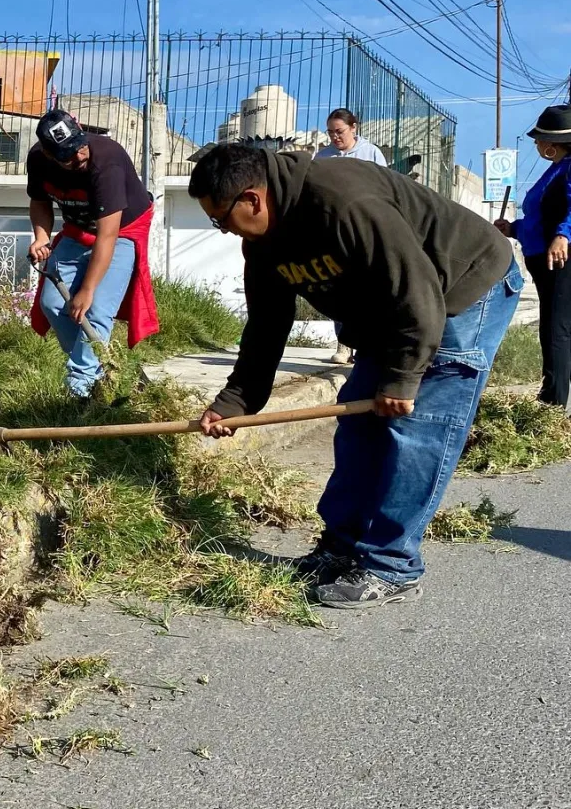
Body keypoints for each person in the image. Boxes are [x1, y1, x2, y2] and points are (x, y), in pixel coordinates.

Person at [189, 142, 521, 608]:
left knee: (415, 429)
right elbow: (266, 325)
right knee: (358, 424)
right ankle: (341, 548)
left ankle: (391, 565)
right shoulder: (263, 244)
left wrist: (403, 379)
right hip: (395, 311)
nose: (223, 230)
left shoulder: (343, 201)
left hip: (460, 288)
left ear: (252, 199)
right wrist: (236, 402)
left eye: (220, 219)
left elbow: (417, 291)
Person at [26, 109, 158, 400]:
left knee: (95, 310)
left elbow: (107, 235)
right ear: (49, 155)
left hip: (122, 231)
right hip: (77, 229)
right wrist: (42, 237)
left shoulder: (106, 160)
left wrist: (87, 289)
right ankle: (105, 364)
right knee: (52, 303)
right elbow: (39, 200)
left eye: (80, 145)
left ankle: (81, 390)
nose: (79, 156)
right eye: (68, 155)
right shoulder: (38, 159)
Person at [495, 104, 571, 411]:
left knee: (557, 326)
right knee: (553, 325)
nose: (537, 145)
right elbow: (539, 220)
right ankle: (553, 389)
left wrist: (564, 234)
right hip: (543, 258)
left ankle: (553, 400)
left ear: (553, 144)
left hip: (562, 257)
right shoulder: (554, 171)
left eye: (539, 140)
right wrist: (512, 227)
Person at [314, 108, 387, 365]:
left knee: (368, 291)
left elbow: (386, 188)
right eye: (331, 132)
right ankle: (344, 345)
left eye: (340, 131)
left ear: (354, 128)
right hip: (334, 233)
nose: (335, 137)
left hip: (366, 230)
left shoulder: (371, 153)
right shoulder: (322, 158)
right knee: (341, 290)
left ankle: (368, 346)